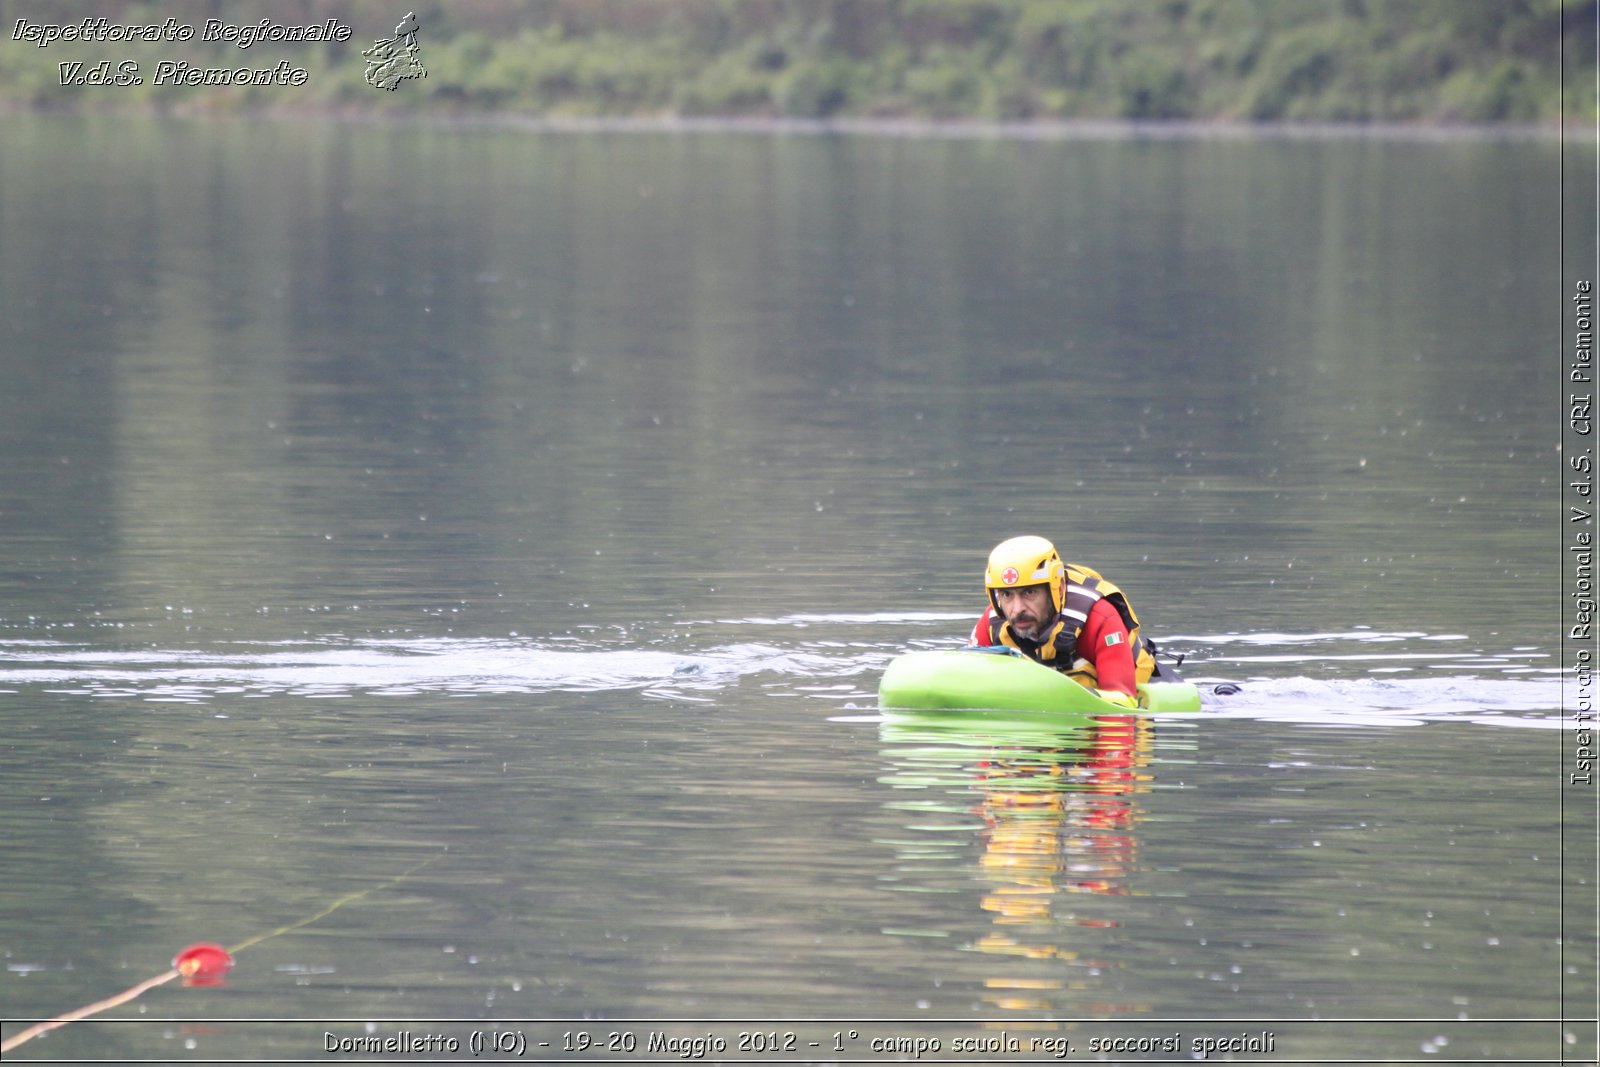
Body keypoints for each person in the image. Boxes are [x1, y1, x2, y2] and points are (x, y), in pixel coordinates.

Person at [970, 535, 1158, 706]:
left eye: (1029, 592)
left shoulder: (1100, 618)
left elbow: (1123, 703)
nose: (1017, 609)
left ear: (1056, 589)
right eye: (1006, 595)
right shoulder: (992, 623)